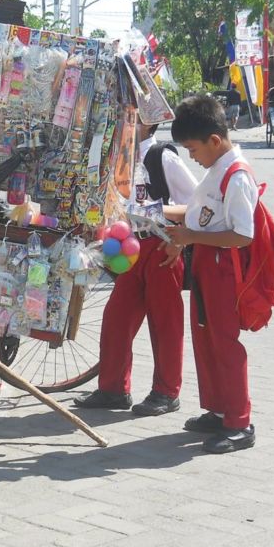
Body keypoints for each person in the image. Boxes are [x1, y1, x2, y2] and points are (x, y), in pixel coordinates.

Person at [74, 122, 198, 416]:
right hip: (129, 248)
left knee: (165, 323)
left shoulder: (161, 156)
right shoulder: (119, 156)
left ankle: (167, 392)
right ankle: (113, 388)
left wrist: (180, 241)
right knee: (116, 318)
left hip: (162, 248)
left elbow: (197, 204)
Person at [165, 95, 259, 454]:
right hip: (206, 262)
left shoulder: (237, 176)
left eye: (192, 148)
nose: (191, 156)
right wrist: (158, 212)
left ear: (214, 141)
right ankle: (219, 409)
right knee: (205, 340)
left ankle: (239, 421)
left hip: (223, 269)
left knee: (224, 343)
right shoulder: (216, 170)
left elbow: (242, 234)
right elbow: (197, 211)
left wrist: (190, 236)